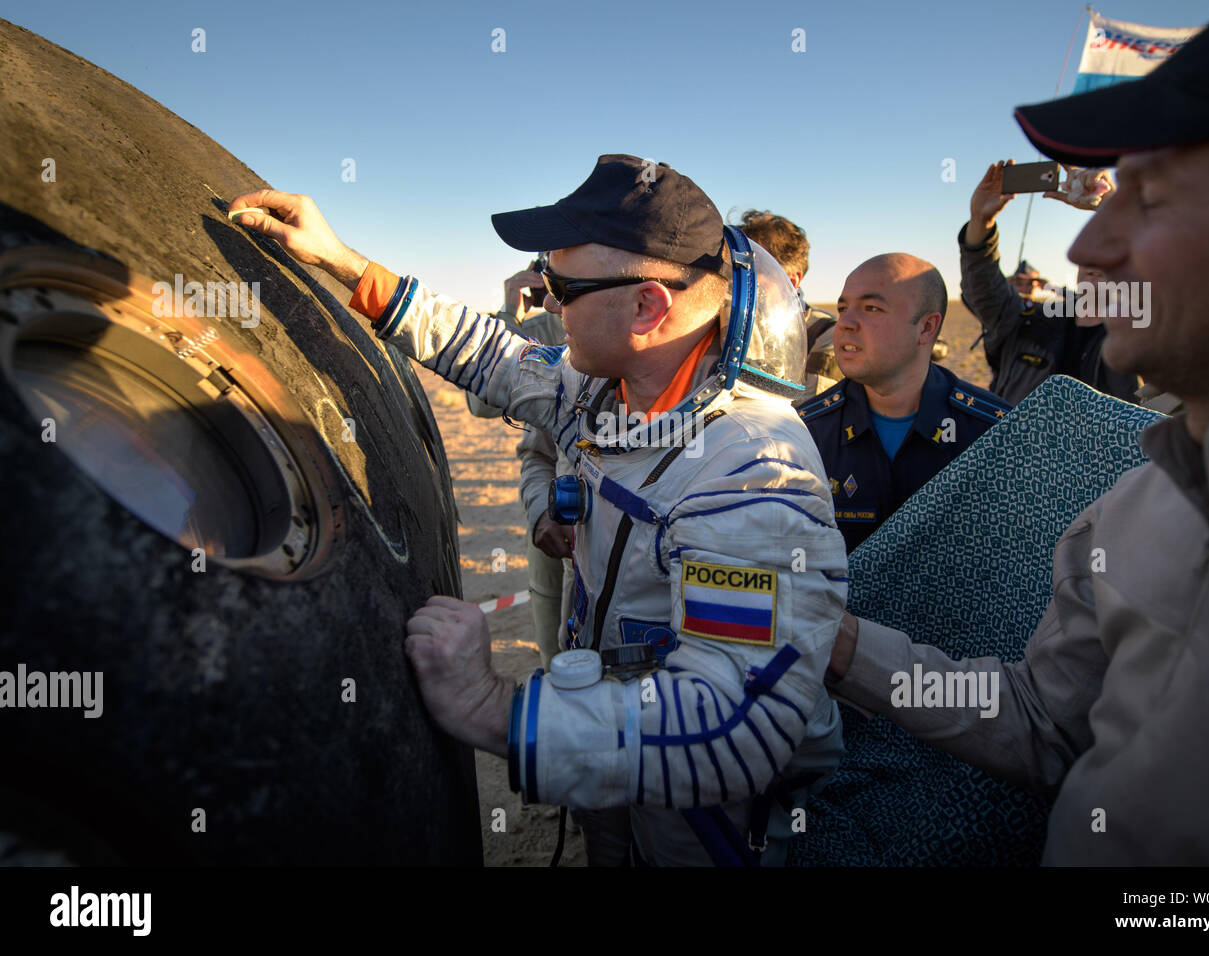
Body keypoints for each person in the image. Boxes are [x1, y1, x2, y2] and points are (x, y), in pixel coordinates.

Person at [229, 154, 848, 867]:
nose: (548, 303)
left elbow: (730, 729)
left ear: (647, 307)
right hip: (611, 741)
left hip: (707, 813)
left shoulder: (750, 478)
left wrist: (491, 707)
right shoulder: (606, 389)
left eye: (562, 286)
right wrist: (342, 262)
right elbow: (491, 355)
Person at [826, 0, 1209, 864]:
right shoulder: (1131, 507)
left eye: (1148, 198)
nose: (1090, 246)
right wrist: (843, 646)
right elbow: (1046, 723)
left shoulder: (1101, 406)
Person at [798, 254, 1009, 552]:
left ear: (926, 328)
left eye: (871, 308)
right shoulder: (805, 433)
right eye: (843, 308)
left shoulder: (994, 434)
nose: (844, 323)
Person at [464, 260, 573, 670]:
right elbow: (480, 405)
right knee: (553, 646)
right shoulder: (543, 329)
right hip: (549, 505)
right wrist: (511, 313)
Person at [960, 161, 1139, 405]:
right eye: (1090, 252)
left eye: (1109, 254)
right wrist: (980, 222)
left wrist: (1112, 205)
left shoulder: (1139, 330)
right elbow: (984, 290)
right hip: (1018, 442)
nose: (1095, 263)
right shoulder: (1032, 319)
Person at [735, 209, 840, 396]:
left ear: (790, 282)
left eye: (750, 268)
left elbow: (808, 414)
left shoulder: (826, 334)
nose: (737, 277)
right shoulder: (733, 322)